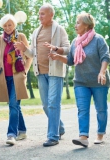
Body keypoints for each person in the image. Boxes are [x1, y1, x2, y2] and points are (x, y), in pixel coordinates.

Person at [48, 13, 110, 147]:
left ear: (87, 25)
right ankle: (83, 137)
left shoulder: (98, 39)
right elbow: (70, 60)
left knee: (101, 109)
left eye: (78, 23)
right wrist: (58, 57)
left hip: (99, 81)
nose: (75, 25)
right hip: (81, 82)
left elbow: (106, 57)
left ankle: (100, 133)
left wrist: (102, 72)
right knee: (82, 109)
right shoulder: (75, 42)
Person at [14, 3, 70, 147]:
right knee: (46, 105)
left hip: (55, 73)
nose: (40, 16)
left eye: (43, 14)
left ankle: (53, 136)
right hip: (40, 72)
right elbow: (32, 53)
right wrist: (24, 49)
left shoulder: (59, 30)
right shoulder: (36, 31)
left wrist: (57, 50)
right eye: (39, 14)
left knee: (53, 104)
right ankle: (60, 127)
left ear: (51, 15)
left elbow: (68, 49)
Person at [0, 14, 32, 145]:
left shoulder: (21, 37)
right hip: (5, 78)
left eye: (9, 25)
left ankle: (11, 134)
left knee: (13, 105)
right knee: (15, 105)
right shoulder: (0, 39)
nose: (7, 28)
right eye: (5, 26)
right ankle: (22, 130)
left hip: (18, 77)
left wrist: (25, 71)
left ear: (14, 25)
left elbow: (29, 56)